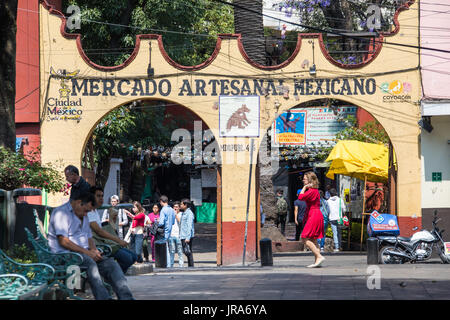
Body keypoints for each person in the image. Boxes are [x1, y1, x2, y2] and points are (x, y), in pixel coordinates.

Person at [47, 191, 134, 300]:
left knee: (111, 264)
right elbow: (64, 241)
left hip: (83, 254)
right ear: (79, 203)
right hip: (64, 255)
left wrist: (94, 250)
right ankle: (104, 298)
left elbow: (89, 238)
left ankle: (126, 297)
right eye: (86, 211)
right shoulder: (61, 213)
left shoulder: (82, 215)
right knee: (90, 262)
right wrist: (88, 253)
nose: (86, 214)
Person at [87, 186, 138, 274]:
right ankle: (114, 278)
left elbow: (106, 228)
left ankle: (116, 277)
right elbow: (99, 231)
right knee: (128, 259)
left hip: (105, 242)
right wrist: (118, 241)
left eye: (102, 196)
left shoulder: (95, 211)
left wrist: (112, 219)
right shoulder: (88, 212)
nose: (101, 199)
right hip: (99, 245)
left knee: (134, 257)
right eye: (98, 196)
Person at [298, 171, 325, 268]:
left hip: (314, 215)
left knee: (304, 237)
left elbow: (300, 197)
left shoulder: (311, 191)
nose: (303, 180)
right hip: (315, 214)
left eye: (304, 179)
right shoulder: (315, 191)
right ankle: (317, 260)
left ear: (309, 180)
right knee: (313, 239)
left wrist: (304, 188)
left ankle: (319, 256)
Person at [158, 195, 176, 267]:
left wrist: (157, 222)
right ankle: (169, 263)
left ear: (161, 202)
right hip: (169, 230)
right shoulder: (172, 210)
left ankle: (167, 264)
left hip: (163, 231)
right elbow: (173, 222)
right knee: (168, 247)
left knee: (165, 248)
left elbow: (161, 223)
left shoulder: (163, 210)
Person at [179, 198, 195, 267]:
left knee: (188, 252)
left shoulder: (189, 213)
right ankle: (190, 265)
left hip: (186, 236)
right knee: (187, 251)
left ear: (185, 205)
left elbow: (189, 226)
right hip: (183, 235)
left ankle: (191, 266)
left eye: (181, 204)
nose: (180, 205)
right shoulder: (184, 213)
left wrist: (188, 237)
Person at [168, 201, 184, 268]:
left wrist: (175, 215)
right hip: (171, 235)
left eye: (177, 207)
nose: (175, 208)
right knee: (172, 251)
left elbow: (181, 222)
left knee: (180, 251)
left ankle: (181, 265)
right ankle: (171, 265)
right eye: (174, 207)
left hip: (178, 235)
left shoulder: (181, 214)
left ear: (179, 208)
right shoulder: (170, 214)